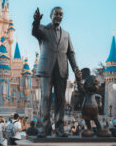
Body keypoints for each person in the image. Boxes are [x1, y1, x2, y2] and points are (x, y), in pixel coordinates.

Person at [32, 7, 82, 137]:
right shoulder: (43, 29)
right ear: (50, 15)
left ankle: (60, 129)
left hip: (61, 69)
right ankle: (44, 128)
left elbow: (70, 53)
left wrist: (75, 68)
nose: (59, 16)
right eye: (56, 14)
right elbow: (34, 31)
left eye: (61, 14)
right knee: (45, 98)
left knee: (61, 99)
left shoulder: (66, 34)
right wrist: (36, 21)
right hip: (46, 69)